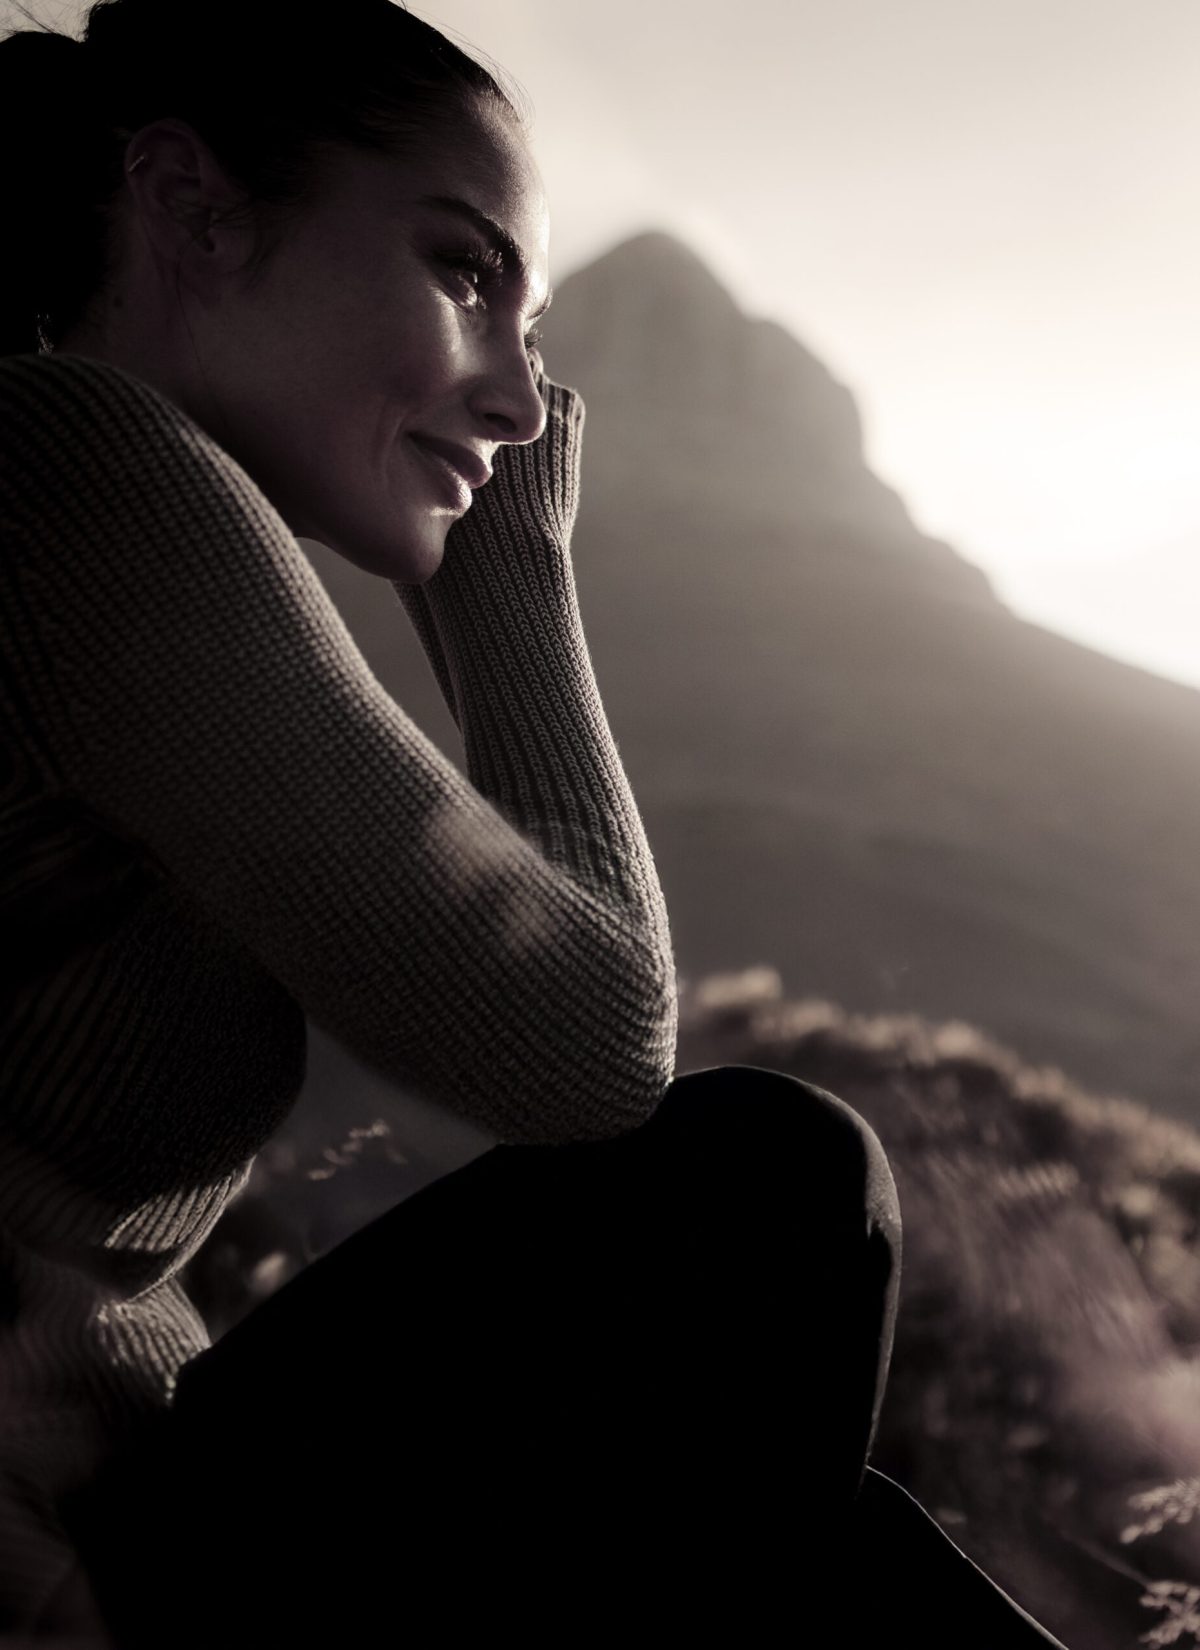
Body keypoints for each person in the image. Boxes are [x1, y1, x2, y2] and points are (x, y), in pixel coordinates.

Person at [0, 0, 1069, 1643]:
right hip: (74, 1543)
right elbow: (585, 1051)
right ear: (192, 207)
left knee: (837, 1536)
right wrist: (516, 586)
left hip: (130, 1489)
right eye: (463, 271)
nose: (521, 399)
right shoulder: (71, 456)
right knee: (768, 1175)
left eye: (537, 314)